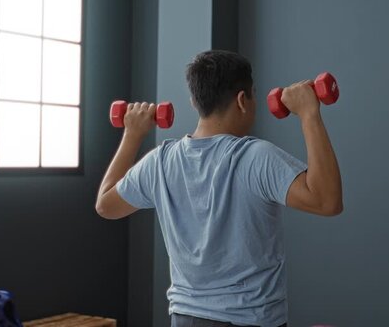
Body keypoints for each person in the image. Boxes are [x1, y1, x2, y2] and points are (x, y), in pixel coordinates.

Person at [95, 50, 343, 327]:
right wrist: (309, 114)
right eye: (253, 95)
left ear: (194, 101)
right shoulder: (254, 157)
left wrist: (132, 135)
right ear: (242, 100)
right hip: (250, 320)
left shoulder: (160, 162)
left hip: (184, 318)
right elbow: (327, 201)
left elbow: (106, 205)